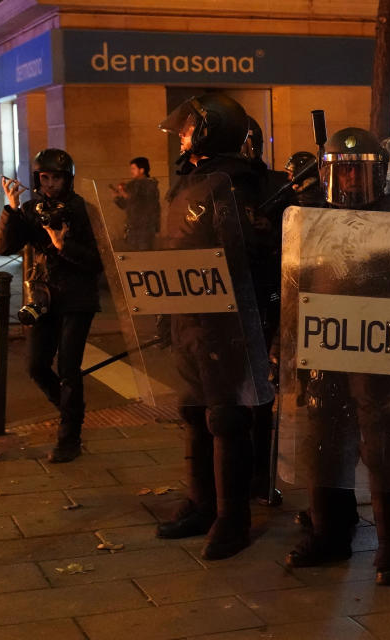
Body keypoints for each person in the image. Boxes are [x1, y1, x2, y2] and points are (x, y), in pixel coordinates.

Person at [282, 127, 390, 586]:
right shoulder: (310, 218)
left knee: (389, 444)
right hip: (327, 344)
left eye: (360, 171)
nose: (351, 181)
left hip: (388, 352)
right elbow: (295, 285)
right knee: (324, 438)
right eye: (342, 171)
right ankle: (329, 533)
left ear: (382, 174)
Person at [153, 93, 276, 561]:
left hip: (227, 320)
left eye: (187, 128)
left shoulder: (235, 184)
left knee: (226, 416)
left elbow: (248, 256)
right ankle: (200, 504)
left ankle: (232, 519)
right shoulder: (191, 180)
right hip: (189, 317)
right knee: (193, 410)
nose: (181, 135)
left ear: (208, 130)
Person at [0, 148, 102, 463]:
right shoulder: (31, 209)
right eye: (45, 177)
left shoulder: (84, 210)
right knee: (36, 366)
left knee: (69, 368)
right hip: (43, 297)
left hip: (77, 297)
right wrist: (12, 210)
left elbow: (97, 262)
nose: (51, 183)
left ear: (68, 178)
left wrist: (62, 245)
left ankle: (69, 437)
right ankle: (72, 412)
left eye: (57, 177)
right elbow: (4, 246)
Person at [111, 157, 160, 251]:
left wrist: (126, 195)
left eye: (133, 168)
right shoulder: (131, 185)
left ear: (142, 170)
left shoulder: (150, 185)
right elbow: (125, 205)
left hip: (145, 228)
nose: (131, 171)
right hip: (132, 228)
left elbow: (147, 203)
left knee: (144, 255)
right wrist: (117, 197)